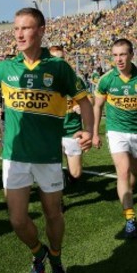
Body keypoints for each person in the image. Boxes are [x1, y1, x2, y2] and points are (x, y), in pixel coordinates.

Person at [0, 11, 92, 273]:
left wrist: (90, 130)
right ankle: (38, 252)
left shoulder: (58, 68)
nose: (19, 34)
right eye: (16, 28)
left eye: (26, 28)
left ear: (41, 30)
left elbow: (84, 102)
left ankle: (56, 257)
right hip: (14, 156)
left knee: (54, 214)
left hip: (48, 157)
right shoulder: (4, 68)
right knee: (16, 219)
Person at [92, 38, 137, 239]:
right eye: (114, 55)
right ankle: (130, 219)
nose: (118, 59)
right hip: (116, 131)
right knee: (122, 173)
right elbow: (97, 106)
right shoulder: (106, 79)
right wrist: (95, 133)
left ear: (131, 55)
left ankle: (127, 195)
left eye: (122, 54)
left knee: (133, 177)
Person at [49, 44, 92, 186]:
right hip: (51, 132)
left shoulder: (75, 79)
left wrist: (79, 106)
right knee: (52, 169)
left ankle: (66, 178)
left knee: (76, 173)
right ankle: (57, 195)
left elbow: (88, 100)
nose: (58, 63)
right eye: (54, 59)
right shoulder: (43, 81)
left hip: (72, 130)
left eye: (61, 59)